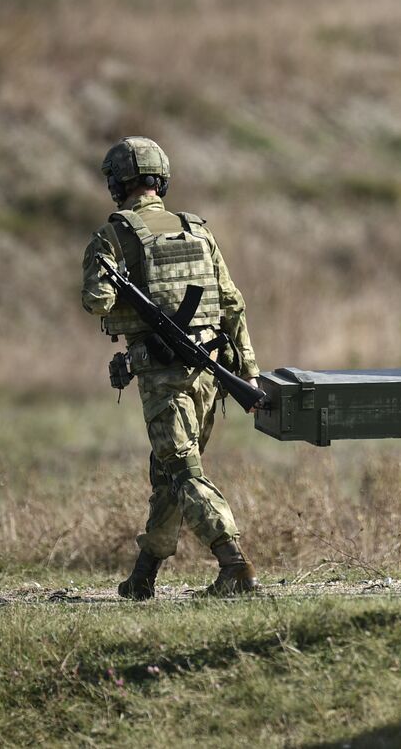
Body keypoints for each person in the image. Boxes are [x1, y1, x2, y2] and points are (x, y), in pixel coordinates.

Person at [81, 136, 262, 598]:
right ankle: (143, 577)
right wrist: (249, 372)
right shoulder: (197, 229)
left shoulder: (114, 236)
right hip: (210, 372)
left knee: (183, 472)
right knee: (167, 473)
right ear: (161, 178)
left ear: (116, 184)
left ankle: (234, 564)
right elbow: (231, 303)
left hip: (164, 377)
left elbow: (95, 302)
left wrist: (107, 275)